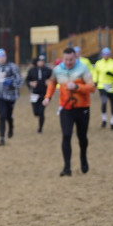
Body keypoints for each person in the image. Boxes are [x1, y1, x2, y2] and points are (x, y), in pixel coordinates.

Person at [43, 47, 95, 176]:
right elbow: (52, 82)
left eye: (71, 59)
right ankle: (67, 168)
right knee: (66, 135)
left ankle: (83, 157)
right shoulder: (57, 69)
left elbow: (92, 87)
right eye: (66, 59)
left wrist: (77, 87)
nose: (68, 62)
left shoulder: (83, 68)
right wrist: (47, 97)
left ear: (75, 58)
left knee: (82, 137)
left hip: (82, 108)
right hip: (66, 108)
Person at [0, 49, 22, 145]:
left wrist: (11, 83)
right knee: (2, 116)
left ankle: (11, 126)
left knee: (8, 115)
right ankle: (2, 138)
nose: (1, 59)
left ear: (6, 57)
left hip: (10, 96)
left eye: (3, 56)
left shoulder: (12, 67)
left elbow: (19, 80)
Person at [92, 47, 113, 130]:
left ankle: (112, 121)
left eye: (107, 54)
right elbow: (95, 73)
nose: (106, 56)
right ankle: (104, 120)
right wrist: (94, 82)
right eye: (104, 54)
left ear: (110, 55)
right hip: (102, 86)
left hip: (112, 86)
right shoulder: (98, 63)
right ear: (102, 55)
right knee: (104, 102)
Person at [25, 55, 52, 133]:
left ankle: (40, 128)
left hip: (44, 94)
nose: (41, 63)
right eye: (39, 61)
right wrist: (31, 83)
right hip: (34, 94)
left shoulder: (48, 70)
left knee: (41, 111)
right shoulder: (32, 71)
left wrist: (49, 82)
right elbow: (27, 80)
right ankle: (38, 115)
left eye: (42, 61)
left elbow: (54, 80)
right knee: (36, 112)